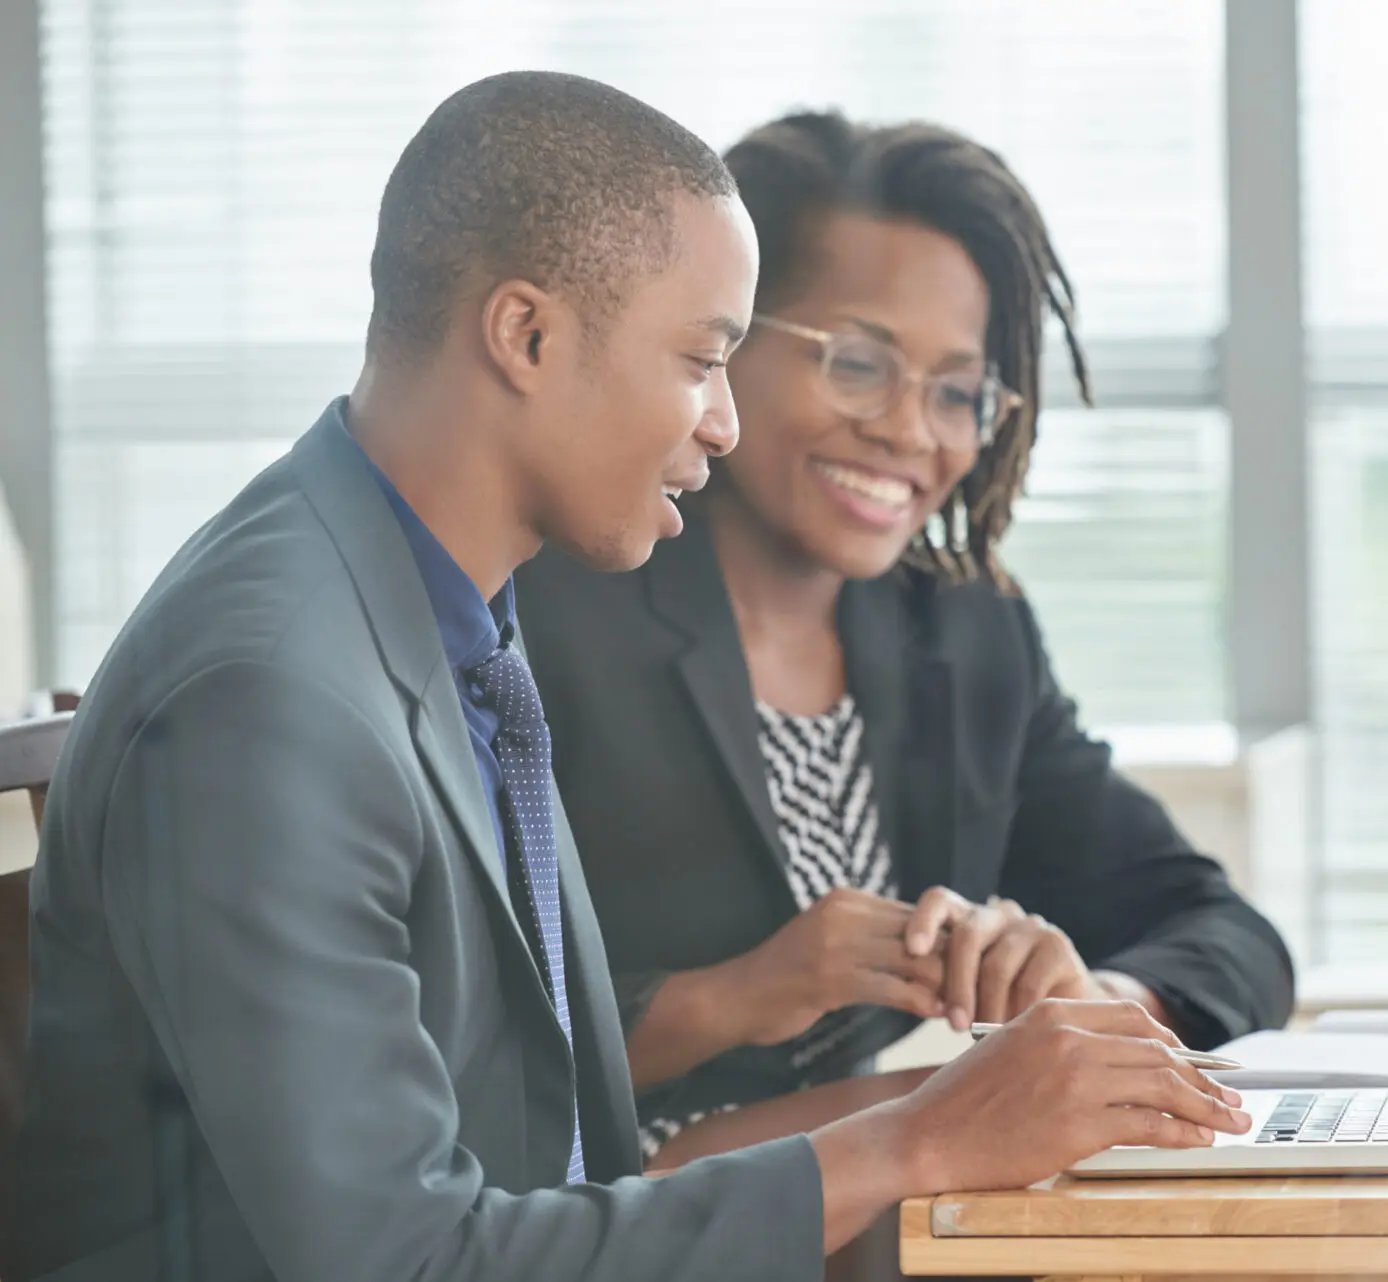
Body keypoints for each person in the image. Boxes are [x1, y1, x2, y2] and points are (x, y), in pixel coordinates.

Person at [5, 74, 1249, 1282]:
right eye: (704, 361)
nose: (725, 422)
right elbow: (405, 1258)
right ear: (527, 334)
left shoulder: (441, 611)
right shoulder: (269, 694)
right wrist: (915, 1135)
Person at [516, 110, 1294, 1170]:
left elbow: (1223, 932)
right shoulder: (549, 606)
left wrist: (1089, 1002)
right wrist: (744, 994)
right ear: (725, 342)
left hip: (870, 1198)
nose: (911, 431)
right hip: (597, 1210)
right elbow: (459, 1051)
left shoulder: (964, 629)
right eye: (857, 362)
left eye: (959, 391)